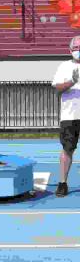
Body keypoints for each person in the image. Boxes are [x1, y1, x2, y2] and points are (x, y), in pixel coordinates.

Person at [52, 36, 80, 197]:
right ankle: (62, 183)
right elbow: (57, 89)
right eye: (76, 47)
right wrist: (71, 82)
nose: (78, 50)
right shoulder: (64, 66)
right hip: (70, 115)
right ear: (70, 50)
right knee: (67, 149)